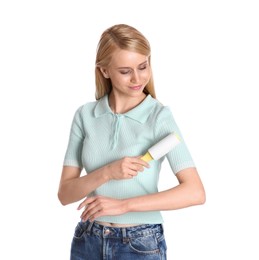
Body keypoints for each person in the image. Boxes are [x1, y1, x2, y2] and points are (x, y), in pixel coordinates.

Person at [58, 23, 206, 260]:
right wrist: (107, 172)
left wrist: (124, 205)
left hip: (139, 243)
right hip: (87, 240)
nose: (138, 79)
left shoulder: (159, 117)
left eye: (143, 66)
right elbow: (65, 194)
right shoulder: (85, 115)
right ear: (105, 71)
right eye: (125, 71)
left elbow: (195, 192)